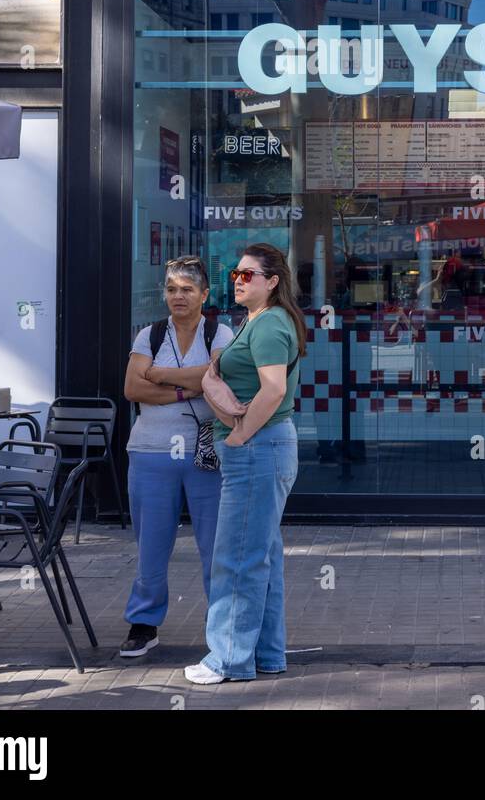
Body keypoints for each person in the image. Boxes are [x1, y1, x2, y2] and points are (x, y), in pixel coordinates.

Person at [185, 241, 303, 685]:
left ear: (272, 282)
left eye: (248, 274)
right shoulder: (257, 320)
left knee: (236, 558)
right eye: (235, 273)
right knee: (260, 556)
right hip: (263, 449)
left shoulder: (270, 324)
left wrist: (238, 435)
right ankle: (266, 655)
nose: (238, 280)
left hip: (257, 449)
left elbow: (272, 390)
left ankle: (227, 659)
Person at [120, 256, 234, 658]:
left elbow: (218, 376)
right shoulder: (148, 335)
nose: (178, 296)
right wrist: (190, 388)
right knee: (151, 545)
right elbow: (133, 389)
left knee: (215, 545)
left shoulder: (220, 332)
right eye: (171, 289)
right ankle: (144, 623)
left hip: (206, 454)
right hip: (151, 451)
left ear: (204, 294)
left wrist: (160, 375)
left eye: (187, 289)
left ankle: (221, 627)